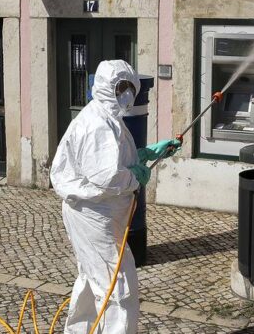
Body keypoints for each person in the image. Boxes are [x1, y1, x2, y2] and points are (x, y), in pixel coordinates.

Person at [50, 60, 180, 333]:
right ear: (106, 87)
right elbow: (107, 177)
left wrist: (147, 154)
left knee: (93, 279)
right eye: (121, 87)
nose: (127, 94)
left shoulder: (107, 118)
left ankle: (81, 330)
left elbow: (113, 161)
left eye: (129, 87)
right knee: (118, 287)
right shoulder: (98, 124)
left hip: (97, 211)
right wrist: (136, 176)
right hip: (94, 214)